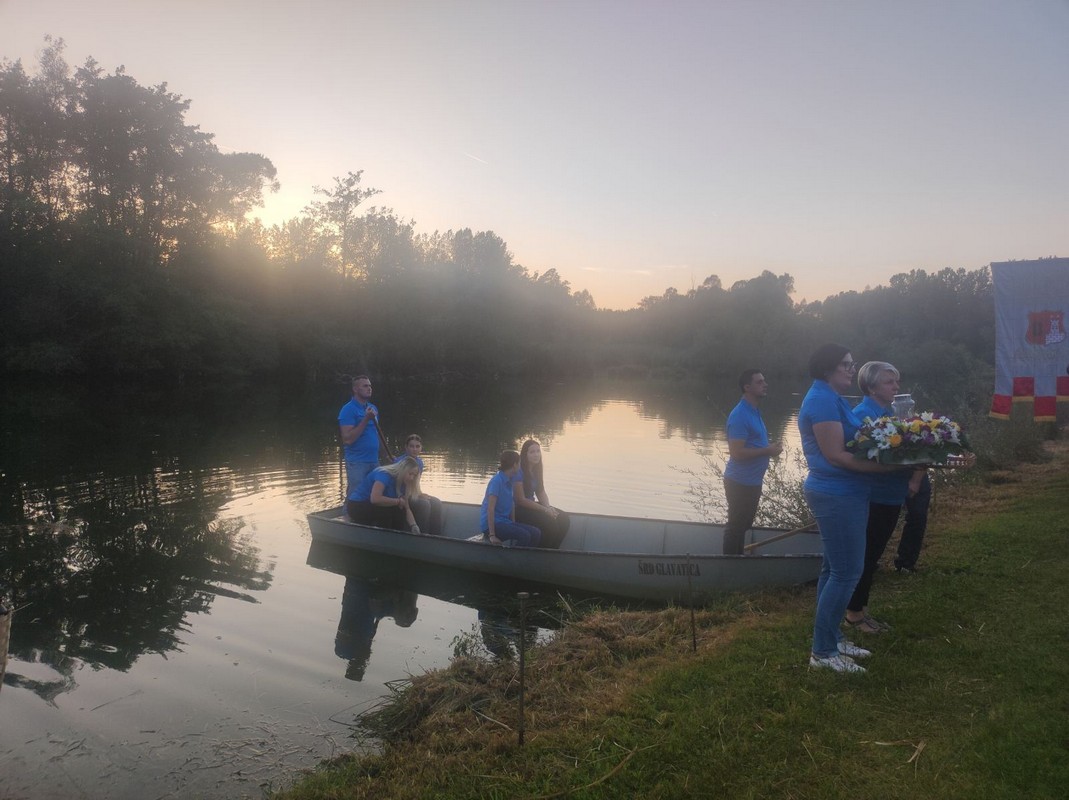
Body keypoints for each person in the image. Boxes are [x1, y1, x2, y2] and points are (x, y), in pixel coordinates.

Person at [798, 343, 902, 674]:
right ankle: (823, 652)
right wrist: (888, 469)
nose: (850, 369)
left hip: (847, 493)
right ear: (828, 368)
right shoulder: (822, 401)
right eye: (845, 364)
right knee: (847, 572)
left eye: (851, 363)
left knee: (833, 570)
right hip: (836, 494)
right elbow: (836, 456)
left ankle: (832, 637)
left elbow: (855, 445)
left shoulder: (833, 399)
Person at [844, 361, 926, 633]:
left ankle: (861, 610)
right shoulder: (864, 415)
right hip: (874, 496)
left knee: (873, 553)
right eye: (890, 382)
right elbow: (865, 455)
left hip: (891, 494)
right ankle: (854, 615)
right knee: (866, 555)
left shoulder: (891, 411)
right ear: (871, 386)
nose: (896, 387)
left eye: (897, 381)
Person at [722, 369, 783, 554]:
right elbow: (736, 453)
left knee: (744, 524)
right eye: (759, 382)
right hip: (739, 481)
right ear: (747, 387)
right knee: (736, 526)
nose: (765, 384)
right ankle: (730, 568)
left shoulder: (754, 411)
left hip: (753, 481)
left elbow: (753, 444)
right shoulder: (740, 415)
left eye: (764, 381)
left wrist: (770, 449)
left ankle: (736, 562)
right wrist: (767, 450)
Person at [512, 439, 571, 549]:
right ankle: (541, 553)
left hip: (531, 507)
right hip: (517, 510)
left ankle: (553, 551)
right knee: (550, 525)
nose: (536, 455)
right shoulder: (519, 472)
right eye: (532, 452)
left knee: (563, 519)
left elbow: (540, 491)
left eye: (538, 451)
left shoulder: (536, 470)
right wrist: (544, 510)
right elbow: (521, 500)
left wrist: (548, 507)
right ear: (525, 455)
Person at [481, 450, 542, 547]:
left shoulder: (510, 480)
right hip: (493, 525)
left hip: (505, 522)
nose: (520, 466)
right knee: (525, 536)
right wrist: (492, 535)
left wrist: (513, 524)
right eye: (519, 464)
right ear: (515, 465)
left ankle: (525, 559)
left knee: (536, 533)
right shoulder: (496, 481)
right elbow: (490, 509)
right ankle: (515, 560)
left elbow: (511, 503)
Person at [346, 456, 421, 532]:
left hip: (373, 506)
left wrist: (413, 525)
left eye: (414, 475)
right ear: (403, 470)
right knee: (388, 513)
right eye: (410, 474)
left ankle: (398, 535)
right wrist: (398, 501)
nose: (412, 478)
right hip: (357, 505)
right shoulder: (384, 475)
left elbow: (407, 508)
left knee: (400, 510)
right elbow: (375, 499)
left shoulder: (404, 482)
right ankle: (384, 538)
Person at [338, 375, 381, 495]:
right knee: (355, 495)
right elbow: (347, 439)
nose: (369, 388)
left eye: (370, 386)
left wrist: (387, 455)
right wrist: (366, 419)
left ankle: (367, 514)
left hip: (374, 460)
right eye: (365, 386)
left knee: (374, 494)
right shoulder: (348, 409)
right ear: (355, 389)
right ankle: (348, 514)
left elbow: (376, 433)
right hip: (357, 462)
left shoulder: (373, 408)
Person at [395, 434, 443, 536]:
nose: (414, 449)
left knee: (436, 502)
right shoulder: (400, 462)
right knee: (424, 505)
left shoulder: (419, 463)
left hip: (411, 494)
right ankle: (423, 535)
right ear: (406, 447)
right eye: (411, 446)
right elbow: (396, 486)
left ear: (421, 448)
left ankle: (436, 535)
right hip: (401, 495)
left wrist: (419, 493)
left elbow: (415, 483)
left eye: (417, 446)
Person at [894, 471, 931, 573]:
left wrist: (917, 478)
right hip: (887, 472)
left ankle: (906, 562)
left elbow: (929, 455)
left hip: (917, 470)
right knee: (880, 516)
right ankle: (869, 558)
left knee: (917, 517)